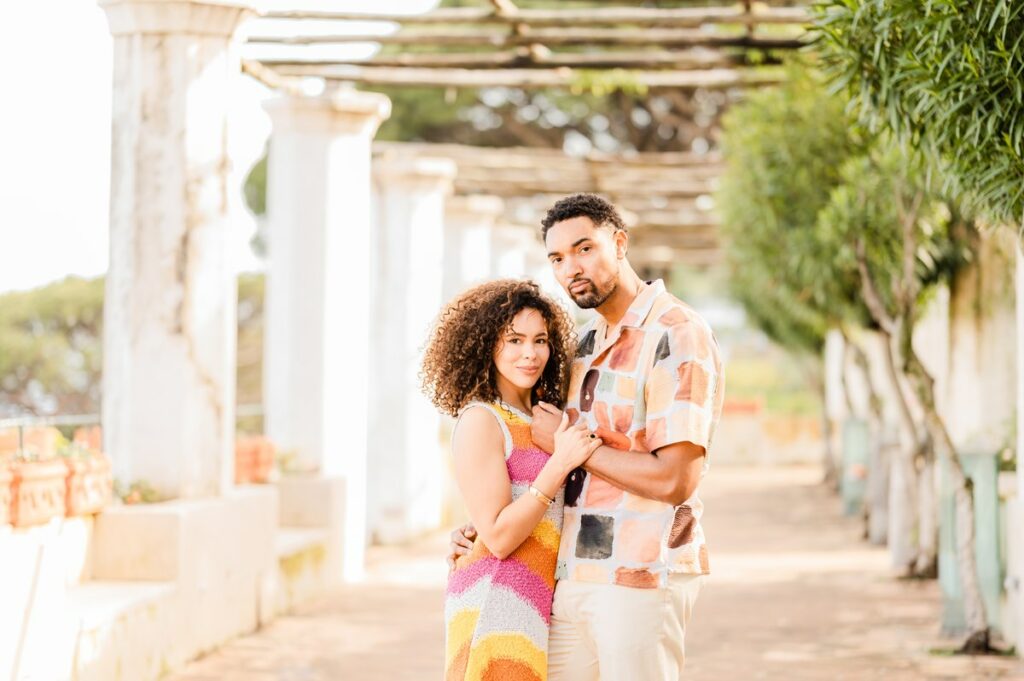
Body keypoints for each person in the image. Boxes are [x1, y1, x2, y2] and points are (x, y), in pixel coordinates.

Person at [450, 194, 725, 680]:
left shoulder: (676, 332)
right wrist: (483, 528)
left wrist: (570, 447)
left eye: (584, 249)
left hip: (640, 572)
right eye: (557, 258)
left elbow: (676, 479)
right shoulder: (583, 343)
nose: (571, 268)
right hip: (571, 574)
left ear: (619, 243)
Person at [421, 279, 605, 681]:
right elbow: (500, 537)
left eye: (540, 340)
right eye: (514, 340)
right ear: (487, 343)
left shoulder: (547, 416)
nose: (530, 354)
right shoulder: (482, 420)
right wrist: (559, 464)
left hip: (539, 600)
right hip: (496, 601)